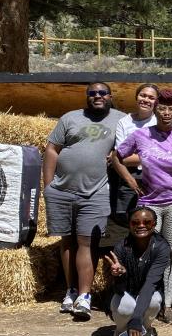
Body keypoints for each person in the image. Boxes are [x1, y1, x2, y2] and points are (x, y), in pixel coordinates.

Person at [112, 88, 172, 325]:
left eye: (171, 109)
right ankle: (145, 299)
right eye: (162, 108)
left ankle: (167, 306)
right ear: (155, 110)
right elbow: (116, 157)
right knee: (146, 251)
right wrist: (130, 180)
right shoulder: (141, 135)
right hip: (149, 202)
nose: (167, 113)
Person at [43, 81, 124, 320]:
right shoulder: (70, 118)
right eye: (92, 93)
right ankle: (71, 291)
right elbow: (51, 150)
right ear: (87, 96)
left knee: (87, 241)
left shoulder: (121, 119)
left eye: (102, 93)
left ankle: (84, 297)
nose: (97, 96)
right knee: (67, 241)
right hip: (61, 191)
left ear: (110, 96)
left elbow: (133, 144)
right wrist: (48, 186)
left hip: (95, 191)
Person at [111, 83, 172, 225]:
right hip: (133, 177)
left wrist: (140, 155)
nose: (146, 99)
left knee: (156, 221)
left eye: (151, 97)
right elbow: (121, 158)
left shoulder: (165, 117)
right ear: (136, 97)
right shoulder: (124, 122)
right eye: (142, 95)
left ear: (157, 101)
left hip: (162, 176)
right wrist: (158, 153)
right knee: (129, 220)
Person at [103, 206, 168, 336]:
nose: (141, 226)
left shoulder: (161, 248)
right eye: (135, 223)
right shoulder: (121, 247)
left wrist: (137, 319)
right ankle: (120, 331)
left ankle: (145, 328)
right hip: (126, 293)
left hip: (149, 292)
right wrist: (120, 275)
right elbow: (118, 290)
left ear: (154, 224)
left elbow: (151, 284)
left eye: (147, 222)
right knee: (125, 307)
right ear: (129, 224)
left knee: (154, 301)